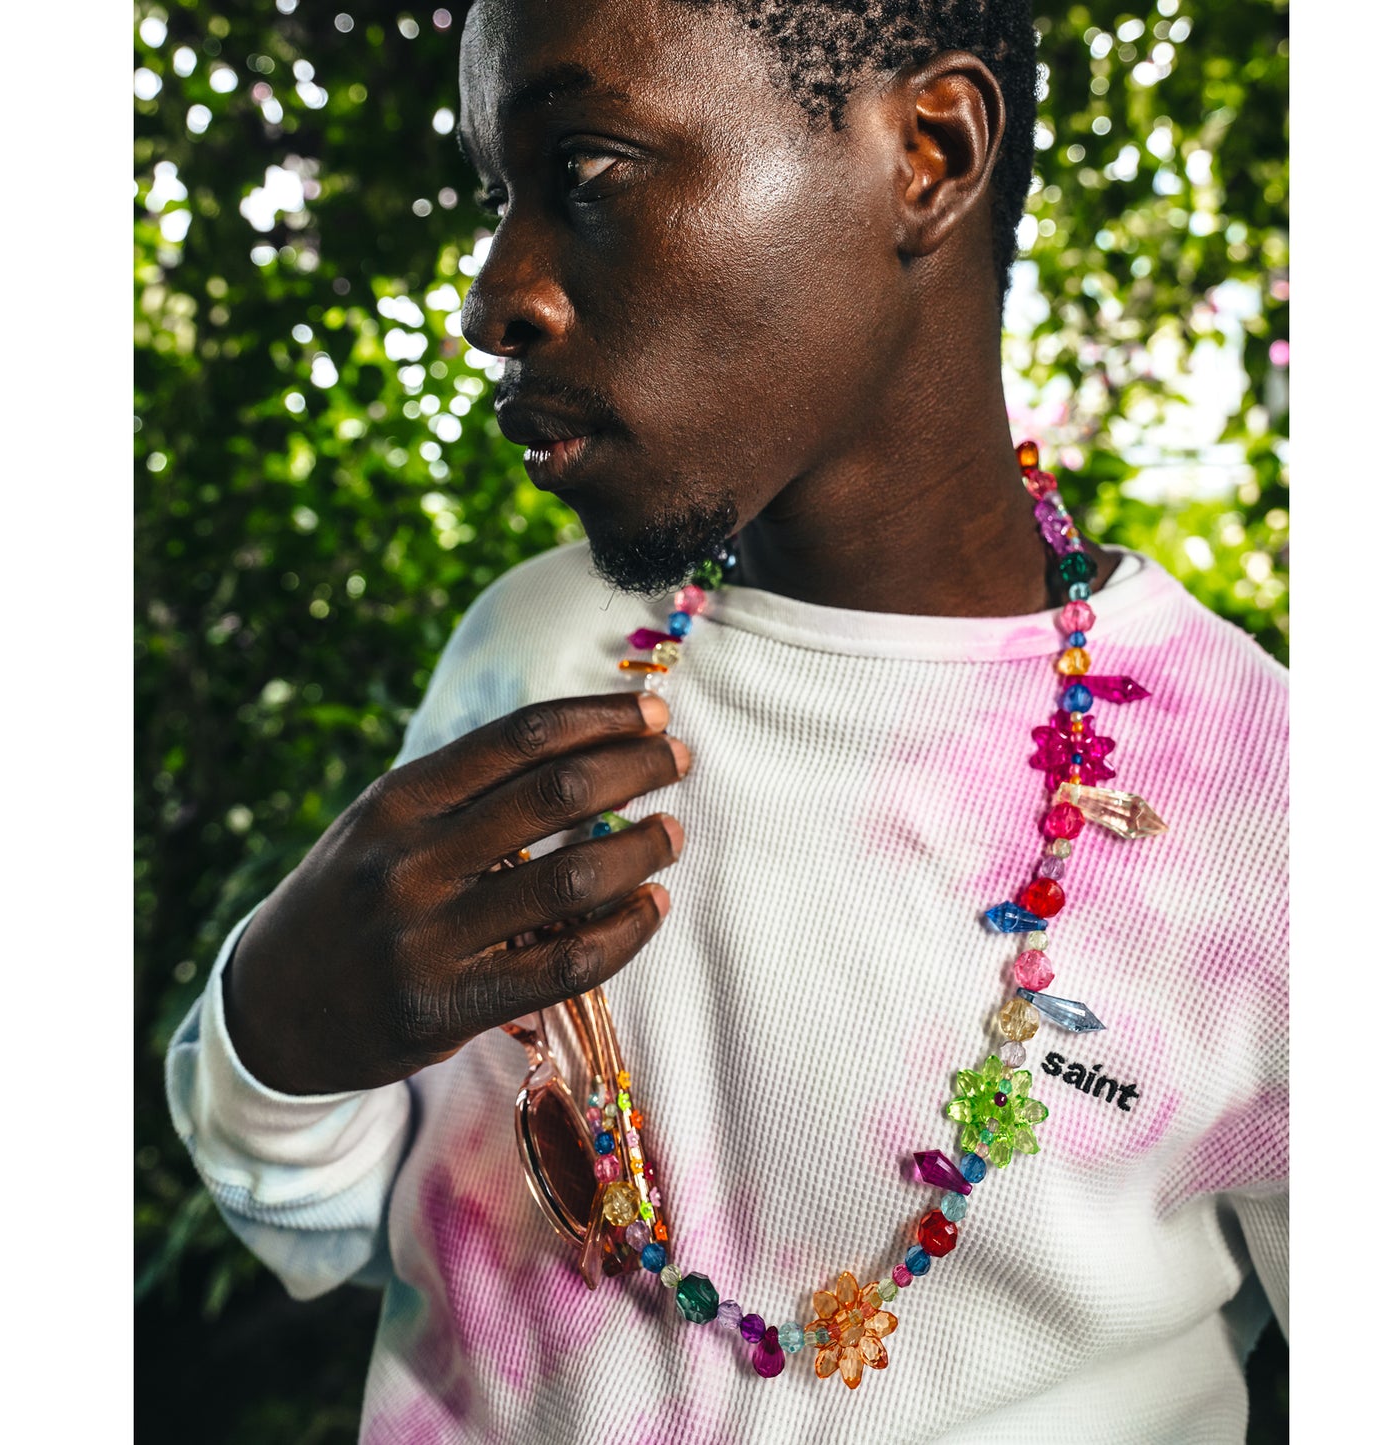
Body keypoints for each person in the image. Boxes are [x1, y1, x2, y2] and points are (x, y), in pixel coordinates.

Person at [166, 1, 1288, 1440]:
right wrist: (274, 1032)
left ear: (930, 153)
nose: (494, 298)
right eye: (498, 195)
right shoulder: (532, 653)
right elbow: (347, 1220)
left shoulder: (1272, 812)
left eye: (586, 170)